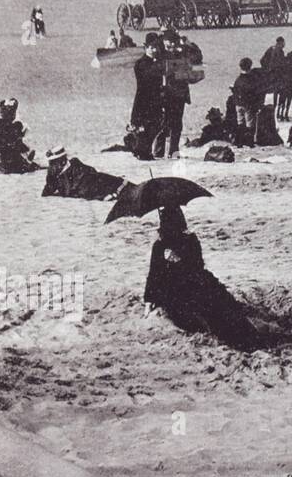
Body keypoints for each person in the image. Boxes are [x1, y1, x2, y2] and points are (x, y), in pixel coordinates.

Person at [146, 206, 259, 351]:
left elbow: (198, 265)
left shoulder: (190, 240)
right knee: (204, 315)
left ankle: (249, 338)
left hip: (196, 282)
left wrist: (178, 259)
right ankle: (233, 341)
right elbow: (154, 274)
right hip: (174, 290)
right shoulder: (160, 246)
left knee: (223, 304)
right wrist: (149, 301)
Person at [130, 35, 166, 159]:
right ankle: (142, 151)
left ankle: (143, 151)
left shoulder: (153, 63)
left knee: (154, 125)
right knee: (145, 126)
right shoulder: (141, 64)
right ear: (146, 47)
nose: (154, 50)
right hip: (144, 98)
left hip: (154, 99)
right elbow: (146, 80)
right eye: (151, 47)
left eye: (155, 47)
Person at [41, 147, 124, 200]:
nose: (51, 166)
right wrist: (50, 177)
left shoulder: (79, 171)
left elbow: (80, 192)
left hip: (112, 186)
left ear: (62, 161)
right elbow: (45, 194)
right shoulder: (56, 175)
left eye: (53, 163)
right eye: (50, 163)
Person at [0, 99, 38, 174]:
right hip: (16, 164)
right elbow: (19, 146)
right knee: (31, 165)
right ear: (12, 115)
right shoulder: (16, 127)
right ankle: (28, 162)